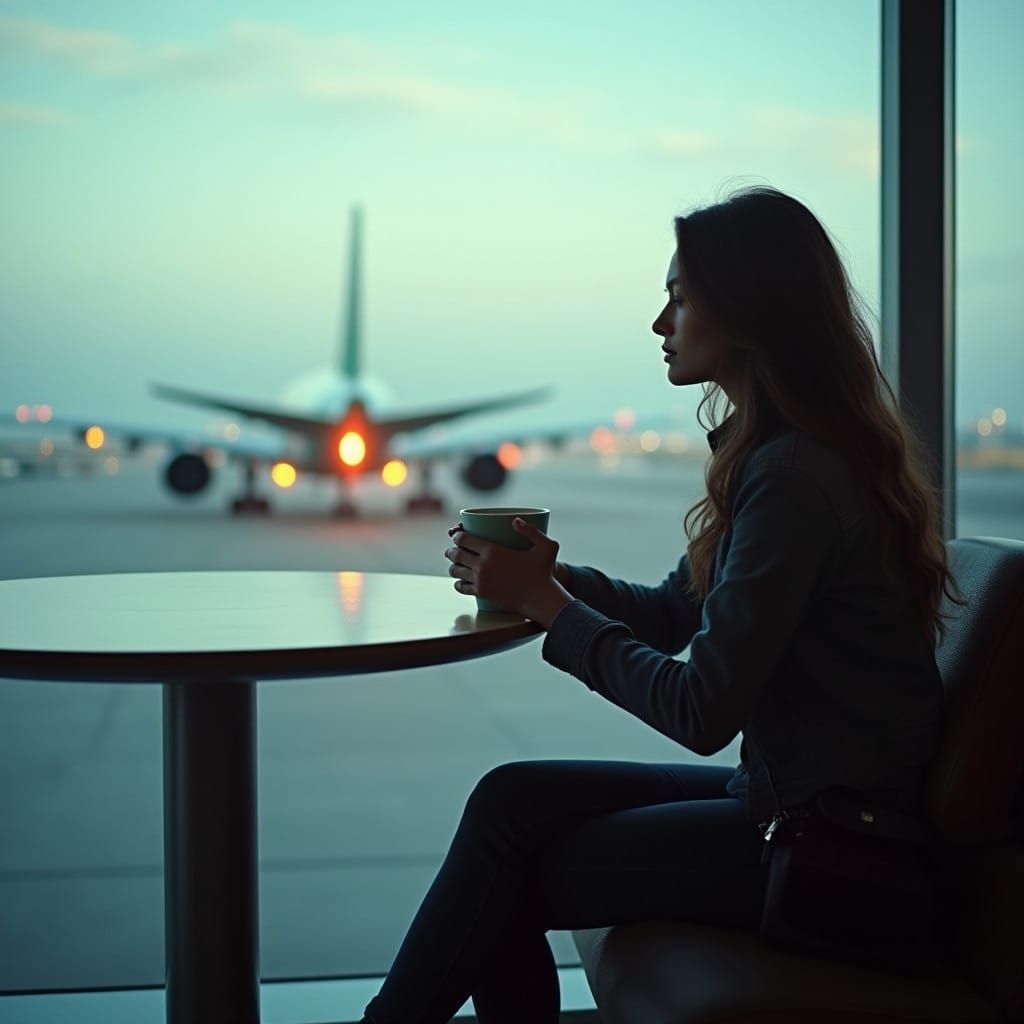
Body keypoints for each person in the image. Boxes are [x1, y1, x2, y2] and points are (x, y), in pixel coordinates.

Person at [360, 184, 966, 1024]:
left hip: (830, 840)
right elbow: (677, 610)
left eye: (679, 299)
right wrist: (550, 580)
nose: (659, 324)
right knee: (510, 801)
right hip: (788, 797)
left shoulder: (794, 479)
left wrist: (547, 606)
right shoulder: (787, 457)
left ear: (747, 313)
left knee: (505, 864)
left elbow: (700, 707)